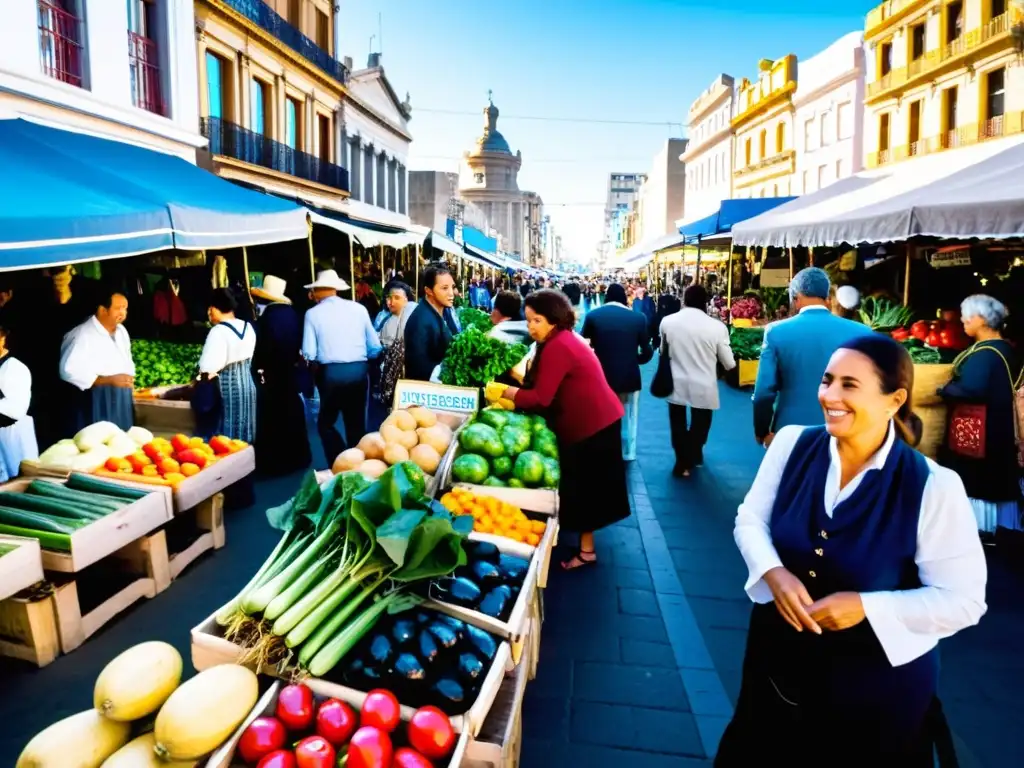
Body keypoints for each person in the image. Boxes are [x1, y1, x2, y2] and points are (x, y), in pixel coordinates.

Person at [717, 335, 987, 766]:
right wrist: (774, 572)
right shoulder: (791, 444)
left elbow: (964, 601)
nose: (830, 396)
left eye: (849, 385)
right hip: (777, 670)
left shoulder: (933, 485)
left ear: (894, 400)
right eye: (827, 381)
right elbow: (751, 519)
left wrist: (867, 607)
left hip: (875, 694)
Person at [494, 290, 630, 570]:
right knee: (583, 486)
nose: (531, 326)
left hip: (593, 424)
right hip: (593, 419)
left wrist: (504, 392)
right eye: (529, 320)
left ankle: (587, 552)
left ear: (553, 320)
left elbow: (541, 398)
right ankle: (583, 543)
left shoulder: (558, 346)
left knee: (585, 488)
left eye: (537, 320)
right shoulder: (559, 339)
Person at [753, 267, 871, 447]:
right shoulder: (862, 332)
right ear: (827, 298)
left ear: (796, 298)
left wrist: (761, 431)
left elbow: (763, 392)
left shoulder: (776, 332)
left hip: (791, 430)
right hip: (845, 430)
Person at [938, 294, 1021, 539]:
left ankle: (982, 532)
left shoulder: (986, 354)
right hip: (1000, 428)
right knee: (997, 479)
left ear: (983, 320)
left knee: (979, 481)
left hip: (982, 435)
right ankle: (1002, 532)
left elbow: (972, 390)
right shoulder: (1006, 348)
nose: (963, 320)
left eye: (968, 316)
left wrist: (945, 390)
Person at [302, 269, 382, 464]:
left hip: (331, 374)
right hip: (359, 371)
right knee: (355, 423)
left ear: (321, 290)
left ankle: (340, 459)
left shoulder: (312, 314)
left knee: (326, 424)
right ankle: (359, 463)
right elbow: (375, 346)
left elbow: (309, 352)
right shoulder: (359, 309)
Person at [660, 284, 736, 477]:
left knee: (677, 422)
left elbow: (662, 351)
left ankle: (682, 461)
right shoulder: (717, 327)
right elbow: (728, 362)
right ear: (705, 301)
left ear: (684, 299)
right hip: (704, 384)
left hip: (675, 381)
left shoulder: (668, 322)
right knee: (701, 424)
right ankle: (693, 454)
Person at [581, 283, 652, 461]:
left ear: (606, 296)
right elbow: (647, 351)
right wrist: (634, 360)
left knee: (600, 413)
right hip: (629, 376)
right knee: (629, 415)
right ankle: (628, 452)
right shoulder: (638, 318)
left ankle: (601, 449)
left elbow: (583, 346)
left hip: (600, 376)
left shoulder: (593, 316)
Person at [251, 275, 311, 475]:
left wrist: (259, 367)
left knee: (274, 418)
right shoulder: (291, 313)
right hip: (290, 371)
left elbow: (264, 348)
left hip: (273, 374)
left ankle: (277, 464)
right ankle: (299, 457)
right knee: (292, 412)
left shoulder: (268, 318)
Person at [60, 287, 135, 431]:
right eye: (118, 308)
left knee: (121, 439)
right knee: (100, 440)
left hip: (120, 395)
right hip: (96, 397)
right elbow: (67, 370)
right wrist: (108, 380)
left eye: (125, 308)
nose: (123, 313)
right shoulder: (82, 334)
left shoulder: (121, 331)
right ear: (102, 310)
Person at [404, 266, 457, 382]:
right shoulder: (421, 321)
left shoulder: (443, 312)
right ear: (428, 291)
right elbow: (418, 366)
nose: (451, 294)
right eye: (444, 288)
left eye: (452, 287)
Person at [0, 326, 38, 482]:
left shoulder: (14, 368)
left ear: (2, 339)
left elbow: (16, 410)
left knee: (20, 485)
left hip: (12, 438)